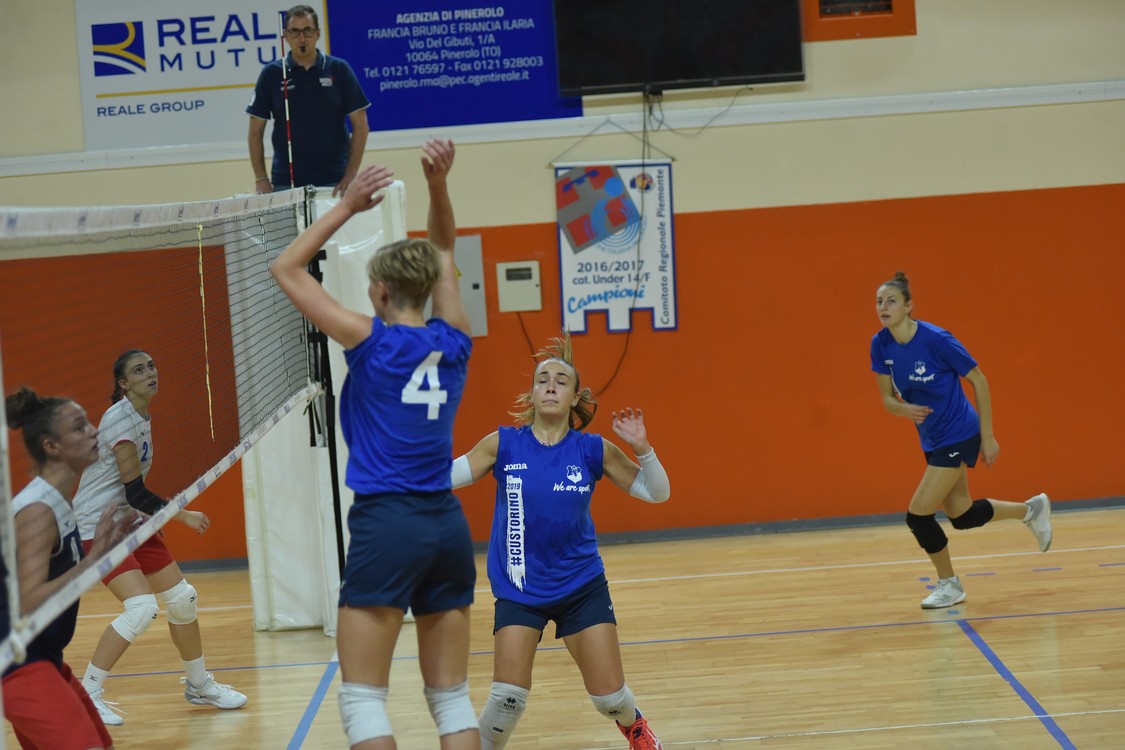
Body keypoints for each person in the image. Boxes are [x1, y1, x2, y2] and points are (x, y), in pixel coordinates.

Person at [270, 138, 478, 750]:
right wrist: (437, 185)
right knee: (452, 699)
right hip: (447, 526)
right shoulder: (455, 341)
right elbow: (444, 249)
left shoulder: (370, 341)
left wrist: (345, 207)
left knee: (363, 701)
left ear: (381, 292)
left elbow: (286, 269)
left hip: (387, 524)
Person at [451, 333, 670, 750]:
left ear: (574, 398)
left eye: (561, 381)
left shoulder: (592, 450)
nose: (550, 386)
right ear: (533, 395)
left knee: (610, 700)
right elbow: (446, 476)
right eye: (542, 380)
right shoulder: (503, 444)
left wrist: (643, 449)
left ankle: (636, 726)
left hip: (580, 586)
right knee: (506, 701)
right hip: (519, 589)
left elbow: (657, 492)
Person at [72, 350, 247, 726]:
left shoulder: (141, 416)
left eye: (151, 366)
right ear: (123, 383)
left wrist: (148, 518)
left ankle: (199, 685)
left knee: (183, 599)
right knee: (141, 608)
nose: (150, 373)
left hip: (128, 519)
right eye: (139, 370)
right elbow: (136, 492)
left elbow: (131, 495)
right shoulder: (120, 420)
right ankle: (88, 694)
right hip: (98, 526)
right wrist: (182, 515)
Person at [870, 271, 1052, 609]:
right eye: (879, 301)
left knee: (918, 516)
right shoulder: (880, 344)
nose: (884, 307)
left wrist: (988, 436)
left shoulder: (937, 340)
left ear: (909, 306)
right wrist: (905, 409)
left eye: (891, 301)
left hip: (960, 432)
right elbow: (887, 400)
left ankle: (949, 585)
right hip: (933, 438)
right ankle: (1031, 510)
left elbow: (979, 380)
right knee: (962, 515)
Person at [3, 386, 134, 749]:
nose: (93, 431)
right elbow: (29, 601)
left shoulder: (58, 500)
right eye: (79, 427)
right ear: (51, 447)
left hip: (43, 657)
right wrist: (92, 562)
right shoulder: (37, 510)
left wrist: (97, 560)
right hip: (16, 663)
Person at [247, 4, 370, 195]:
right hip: (286, 183)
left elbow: (361, 125)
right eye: (294, 32)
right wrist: (261, 178)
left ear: (318, 33)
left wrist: (350, 175)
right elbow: (255, 131)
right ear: (286, 36)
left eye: (307, 30)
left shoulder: (339, 69)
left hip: (335, 182)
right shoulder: (271, 74)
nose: (302, 38)